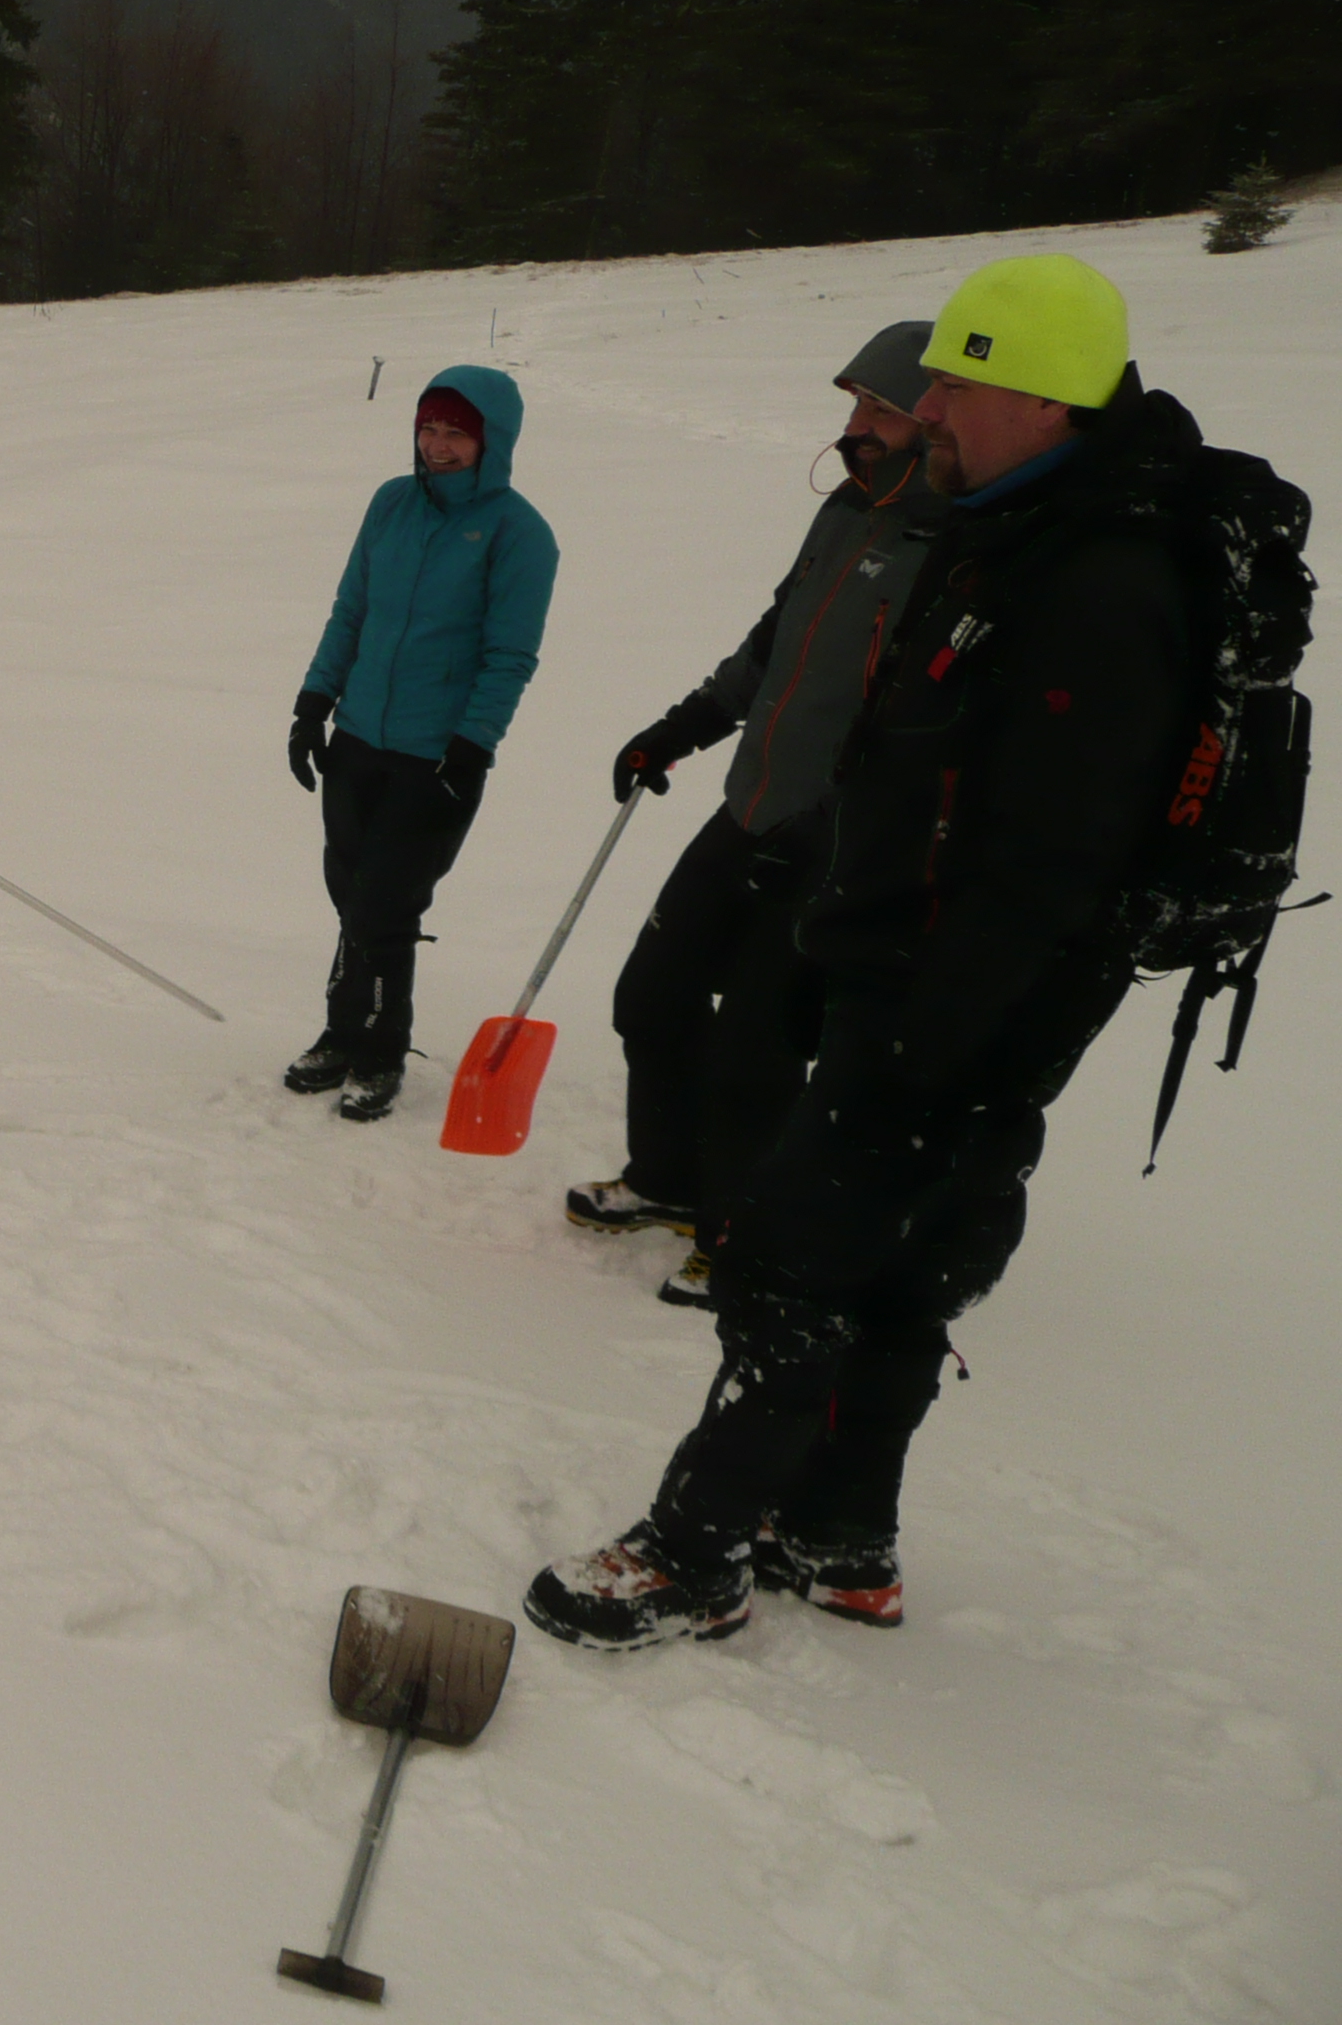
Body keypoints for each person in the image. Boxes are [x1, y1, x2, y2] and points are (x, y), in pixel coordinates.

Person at [525, 254, 1254, 1649]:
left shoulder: (1101, 583)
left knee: (791, 1264)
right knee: (902, 1277)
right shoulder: (1022, 529)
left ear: (1041, 396)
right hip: (936, 983)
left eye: (956, 387)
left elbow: (1050, 855)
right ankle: (843, 1539)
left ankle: (696, 1552)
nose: (929, 412)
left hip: (953, 1006)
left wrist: (922, 1037)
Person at [566, 324, 935, 1303]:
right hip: (752, 806)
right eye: (855, 405)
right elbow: (776, 641)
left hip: (835, 842)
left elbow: (918, 727)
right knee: (653, 995)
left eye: (881, 408)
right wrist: (682, 727)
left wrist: (829, 825)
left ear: (930, 418)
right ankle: (668, 1179)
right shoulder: (846, 511)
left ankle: (741, 1231)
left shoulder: (947, 544)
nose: (858, 425)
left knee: (757, 1047)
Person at [285, 366, 558, 1122]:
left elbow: (510, 656)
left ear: (492, 440)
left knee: (386, 903)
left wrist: (470, 747)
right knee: (350, 892)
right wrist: (314, 704)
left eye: (456, 433)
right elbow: (352, 610)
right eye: (428, 428)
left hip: (434, 755)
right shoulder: (391, 503)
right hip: (358, 737)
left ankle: (380, 1051)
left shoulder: (519, 534)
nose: (438, 445)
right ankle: (342, 1033)